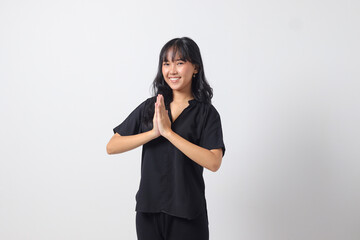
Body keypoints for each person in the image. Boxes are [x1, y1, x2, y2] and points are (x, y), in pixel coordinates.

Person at [106, 37, 225, 240]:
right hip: (149, 211)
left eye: (179, 63)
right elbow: (112, 146)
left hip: (188, 213)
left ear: (195, 67)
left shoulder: (207, 113)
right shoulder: (151, 107)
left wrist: (169, 133)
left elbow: (214, 162)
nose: (172, 70)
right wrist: (154, 133)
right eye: (166, 63)